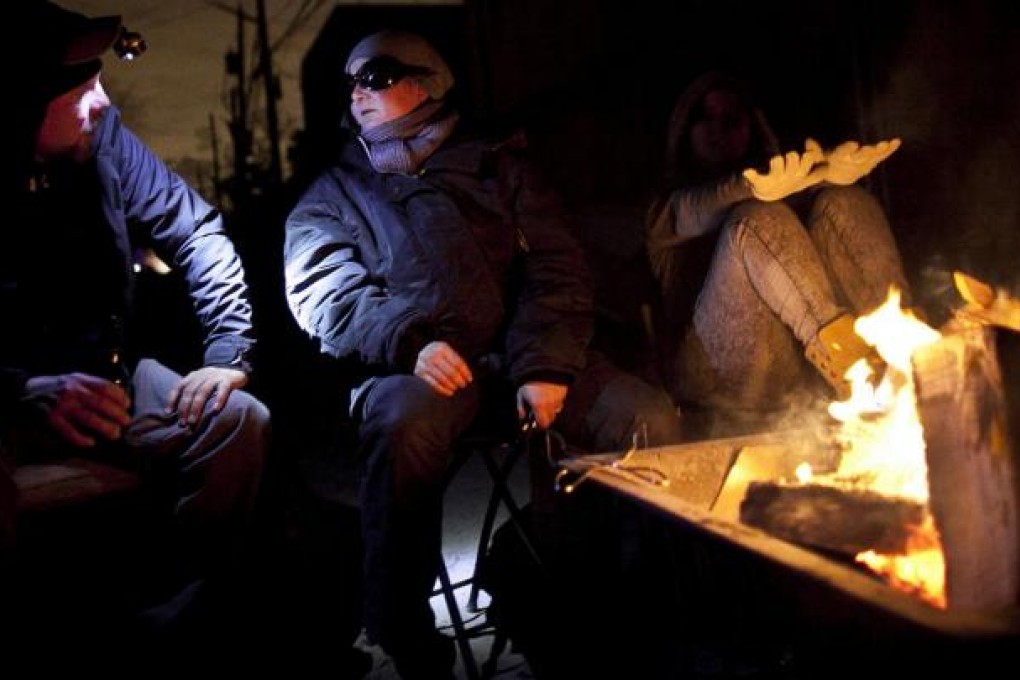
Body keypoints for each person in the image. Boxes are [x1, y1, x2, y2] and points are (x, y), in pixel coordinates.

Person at [283, 29, 683, 680]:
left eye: (376, 75)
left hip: (529, 352)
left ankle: (649, 602)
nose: (357, 91)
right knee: (400, 424)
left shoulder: (502, 166)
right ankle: (401, 631)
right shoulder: (335, 192)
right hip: (419, 364)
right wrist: (408, 339)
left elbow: (560, 268)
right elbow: (322, 289)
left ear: (429, 83)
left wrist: (545, 363)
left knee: (647, 417)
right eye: (351, 80)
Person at [2, 0, 270, 652]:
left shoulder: (104, 140)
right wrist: (21, 392)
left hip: (108, 378)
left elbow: (197, 231)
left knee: (238, 422)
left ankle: (184, 626)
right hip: (10, 402)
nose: (100, 101)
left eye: (98, 81)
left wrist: (227, 351)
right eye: (78, 92)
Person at [646, 70, 913, 437]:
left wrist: (825, 172)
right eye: (704, 118)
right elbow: (700, 209)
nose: (717, 129)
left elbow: (796, 193)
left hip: (793, 365)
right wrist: (750, 186)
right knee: (756, 218)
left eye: (730, 119)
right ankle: (854, 368)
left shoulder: (782, 190)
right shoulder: (665, 208)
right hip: (717, 375)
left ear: (751, 127)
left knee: (843, 200)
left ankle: (906, 358)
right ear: (683, 129)